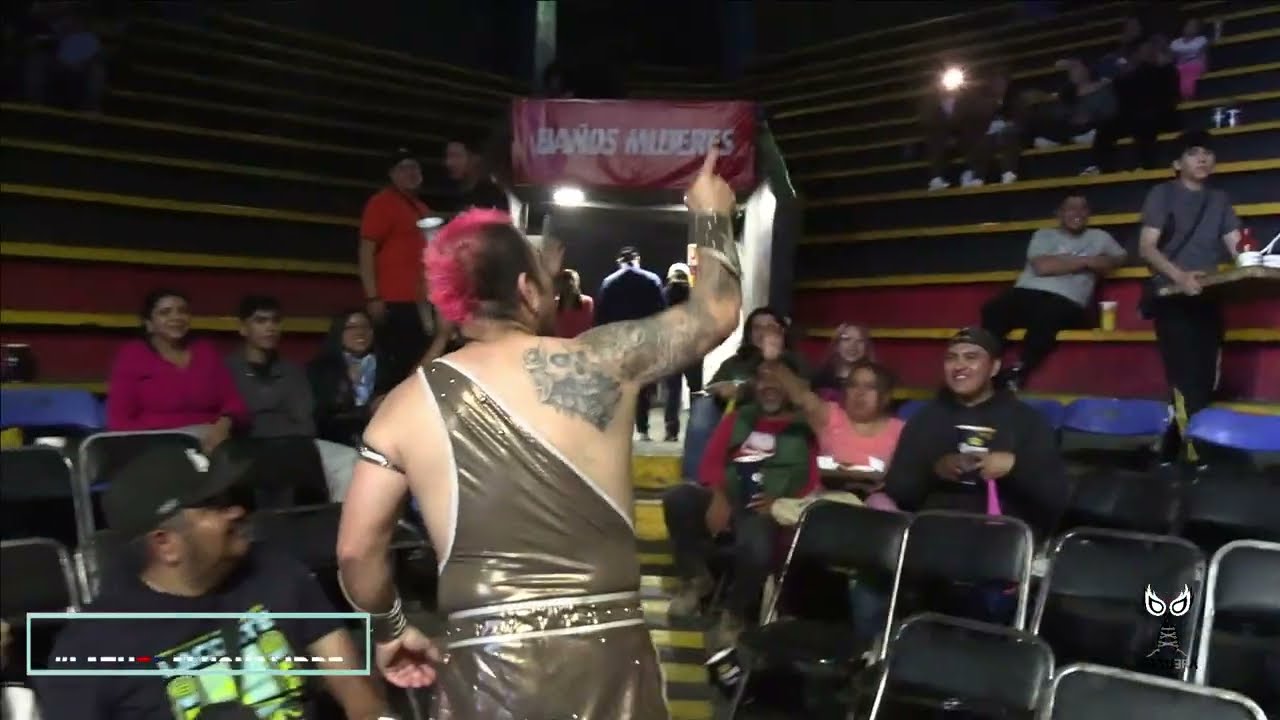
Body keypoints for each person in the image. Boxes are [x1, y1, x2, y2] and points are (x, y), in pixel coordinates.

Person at [334, 148, 742, 718]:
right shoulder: (604, 360)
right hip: (610, 663)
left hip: (483, 673)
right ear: (527, 289)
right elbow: (717, 310)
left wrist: (392, 629)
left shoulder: (402, 407)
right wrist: (710, 212)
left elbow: (356, 553)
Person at [34, 445, 390, 719]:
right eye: (213, 507)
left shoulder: (278, 572)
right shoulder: (90, 648)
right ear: (166, 544)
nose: (236, 512)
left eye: (228, 500)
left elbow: (355, 689)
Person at [662, 356, 819, 645]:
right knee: (679, 498)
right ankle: (696, 578)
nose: (769, 387)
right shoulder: (739, 418)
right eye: (763, 379)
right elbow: (711, 463)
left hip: (770, 508)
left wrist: (779, 503)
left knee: (757, 541)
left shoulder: (805, 426)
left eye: (778, 380)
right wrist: (718, 495)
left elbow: (810, 479)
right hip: (732, 497)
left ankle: (735, 612)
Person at [882, 328, 1068, 542]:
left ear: (994, 367)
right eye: (951, 358)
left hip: (1003, 540)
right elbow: (898, 490)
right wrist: (934, 470)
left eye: (971, 357)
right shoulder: (925, 419)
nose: (959, 366)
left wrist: (1015, 466)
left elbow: (1056, 496)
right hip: (936, 535)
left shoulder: (1026, 420)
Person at [1138, 129, 1241, 461]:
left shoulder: (1219, 199)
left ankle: (1175, 448)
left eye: (1208, 153)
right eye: (1194, 153)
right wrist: (1179, 276)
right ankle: (1193, 453)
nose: (1203, 159)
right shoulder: (1162, 194)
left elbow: (1237, 246)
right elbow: (1147, 247)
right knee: (1184, 378)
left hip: (1208, 296)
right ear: (1177, 163)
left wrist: (1253, 260)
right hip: (1172, 296)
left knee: (1206, 377)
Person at [981, 190, 1127, 389]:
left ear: (1089, 213)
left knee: (1048, 315)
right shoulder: (1043, 235)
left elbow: (1118, 259)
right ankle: (986, 370)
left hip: (1067, 301)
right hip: (1026, 293)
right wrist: (1087, 261)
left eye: (1083, 208)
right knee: (993, 309)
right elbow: (1043, 267)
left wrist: (1066, 261)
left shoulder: (1100, 237)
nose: (1077, 213)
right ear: (1059, 213)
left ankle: (1020, 371)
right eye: (1071, 208)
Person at [106, 289, 247, 454]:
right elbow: (119, 421)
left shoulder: (205, 351)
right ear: (149, 324)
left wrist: (223, 425)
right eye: (165, 312)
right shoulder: (132, 356)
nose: (176, 317)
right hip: (156, 447)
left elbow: (234, 403)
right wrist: (165, 442)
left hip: (210, 442)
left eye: (182, 311)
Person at [358, 147, 433, 385]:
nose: (411, 173)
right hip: (394, 301)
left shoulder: (423, 209)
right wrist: (373, 296)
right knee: (399, 370)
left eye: (414, 167)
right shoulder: (381, 203)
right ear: (392, 174)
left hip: (421, 303)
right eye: (403, 168)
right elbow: (366, 251)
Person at [595, 245, 668, 441]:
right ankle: (642, 429)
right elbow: (661, 313)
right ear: (638, 260)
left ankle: (618, 430)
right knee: (641, 388)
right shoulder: (652, 280)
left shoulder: (609, 282)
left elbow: (601, 316)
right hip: (643, 341)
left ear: (619, 261)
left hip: (617, 342)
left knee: (618, 387)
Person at [1088, 36, 1180, 174]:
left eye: (1151, 50)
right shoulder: (1126, 78)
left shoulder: (1165, 70)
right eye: (1145, 51)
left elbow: (1171, 97)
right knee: (1105, 129)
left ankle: (1146, 166)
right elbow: (1122, 103)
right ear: (1135, 54)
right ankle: (1104, 168)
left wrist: (1166, 66)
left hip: (1161, 114)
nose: (1150, 53)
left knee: (1146, 122)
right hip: (1133, 117)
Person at [308, 309, 393, 447]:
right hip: (336, 440)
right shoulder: (320, 368)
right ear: (339, 332)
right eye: (351, 327)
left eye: (365, 326)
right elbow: (319, 414)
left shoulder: (388, 365)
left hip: (382, 436)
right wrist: (344, 386)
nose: (360, 332)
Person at [662, 263, 704, 441]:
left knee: (673, 391)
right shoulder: (697, 296)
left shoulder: (663, 294)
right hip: (693, 349)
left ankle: (671, 431)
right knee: (696, 391)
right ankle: (697, 429)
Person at [443, 134, 509, 213]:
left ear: (476, 158)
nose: (448, 163)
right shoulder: (452, 188)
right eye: (448, 156)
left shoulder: (491, 194)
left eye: (457, 156)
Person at [810, 323, 874, 401]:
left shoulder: (874, 378)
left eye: (860, 341)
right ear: (836, 345)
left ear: (866, 348)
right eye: (846, 339)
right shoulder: (820, 377)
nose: (853, 345)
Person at [1170, 17, 1209, 100]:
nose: (1190, 28)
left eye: (1193, 26)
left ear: (1198, 29)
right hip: (1179, 65)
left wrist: (1204, 67)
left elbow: (1202, 55)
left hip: (1195, 64)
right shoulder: (1175, 43)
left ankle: (1190, 95)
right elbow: (1172, 58)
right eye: (1188, 25)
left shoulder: (1201, 40)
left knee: (1191, 68)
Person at [553, 268, 594, 338]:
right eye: (564, 282)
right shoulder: (553, 305)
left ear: (577, 284)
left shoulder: (587, 303)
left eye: (570, 284)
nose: (567, 286)